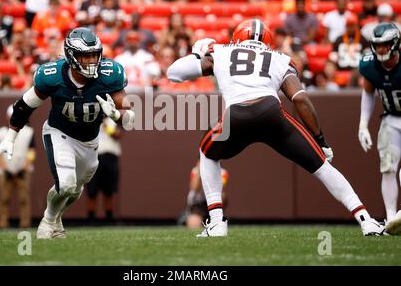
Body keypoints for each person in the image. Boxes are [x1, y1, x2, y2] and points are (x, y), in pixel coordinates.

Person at [167, 18, 388, 237]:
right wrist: (321, 140)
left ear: (237, 37)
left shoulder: (222, 52)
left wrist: (197, 54)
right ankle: (366, 220)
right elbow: (300, 99)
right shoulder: (280, 58)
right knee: (322, 167)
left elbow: (174, 73)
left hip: (236, 117)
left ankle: (216, 223)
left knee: (207, 153)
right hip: (270, 114)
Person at [0, 27, 135, 238]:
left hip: (89, 141)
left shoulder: (110, 74)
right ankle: (47, 222)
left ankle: (56, 221)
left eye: (95, 55)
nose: (92, 61)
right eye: (85, 56)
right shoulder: (51, 76)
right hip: (59, 133)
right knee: (65, 184)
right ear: (72, 56)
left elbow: (130, 117)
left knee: (74, 190)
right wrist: (11, 137)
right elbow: (25, 105)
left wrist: (117, 115)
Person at [357, 22, 401, 235]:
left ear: (395, 43)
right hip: (391, 119)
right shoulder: (369, 66)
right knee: (388, 167)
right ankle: (392, 218)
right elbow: (367, 92)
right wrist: (363, 124)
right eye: (378, 44)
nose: (381, 49)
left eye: (385, 44)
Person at [0, 105, 35, 228]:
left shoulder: (28, 132)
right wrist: (5, 168)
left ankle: (25, 223)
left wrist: (24, 166)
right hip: (5, 171)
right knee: (4, 198)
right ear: (7, 117)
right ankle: (2, 222)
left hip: (23, 170)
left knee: (24, 198)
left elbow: (31, 151)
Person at [86, 117, 122, 222]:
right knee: (92, 190)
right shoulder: (90, 119)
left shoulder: (115, 120)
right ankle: (91, 218)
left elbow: (117, 135)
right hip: (93, 157)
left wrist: (106, 126)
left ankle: (109, 218)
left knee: (109, 190)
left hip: (110, 158)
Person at [179, 160, 228, 229]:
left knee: (222, 196)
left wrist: (211, 173)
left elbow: (219, 190)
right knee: (194, 223)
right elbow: (194, 188)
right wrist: (200, 172)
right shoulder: (195, 171)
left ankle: (217, 217)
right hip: (198, 204)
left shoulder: (222, 172)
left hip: (213, 202)